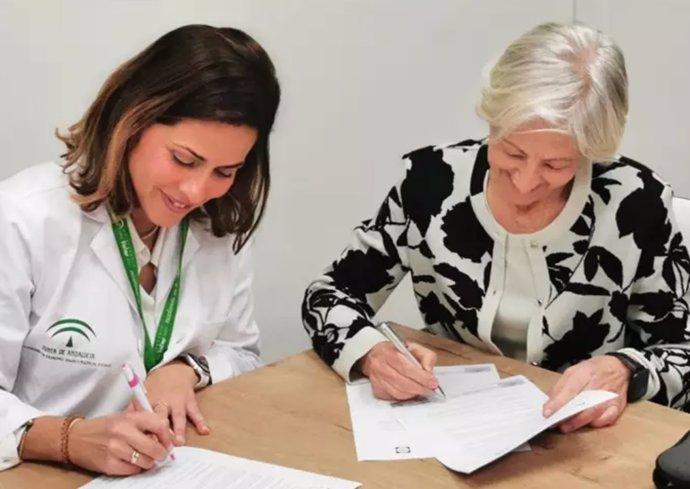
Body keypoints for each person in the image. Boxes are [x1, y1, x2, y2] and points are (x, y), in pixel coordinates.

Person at [302, 22, 690, 433]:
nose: (525, 182)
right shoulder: (430, 183)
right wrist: (372, 352)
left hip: (588, 442)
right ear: (491, 122)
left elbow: (682, 352)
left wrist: (625, 370)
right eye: (512, 152)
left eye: (556, 165)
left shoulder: (635, 202)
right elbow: (328, 294)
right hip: (451, 426)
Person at [0, 24, 280, 475]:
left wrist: (187, 368)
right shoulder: (21, 219)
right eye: (184, 160)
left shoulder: (218, 227)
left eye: (224, 171)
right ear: (130, 120)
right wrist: (66, 437)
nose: (196, 191)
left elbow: (243, 353)